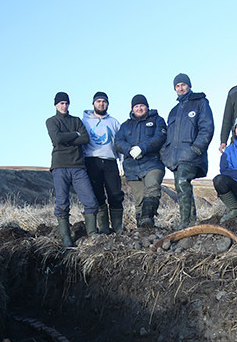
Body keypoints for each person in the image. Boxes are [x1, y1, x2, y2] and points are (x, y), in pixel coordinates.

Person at [45, 92, 99, 247]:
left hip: (78, 167)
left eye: (66, 103)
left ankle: (93, 235)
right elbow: (57, 139)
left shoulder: (76, 120)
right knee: (62, 203)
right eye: (61, 103)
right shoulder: (51, 121)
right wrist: (75, 135)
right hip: (59, 166)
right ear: (56, 105)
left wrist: (67, 137)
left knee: (90, 201)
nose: (64, 106)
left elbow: (85, 138)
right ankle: (67, 239)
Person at [161, 73, 214, 229]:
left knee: (183, 182)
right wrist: (165, 153)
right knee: (180, 186)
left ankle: (185, 223)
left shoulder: (200, 103)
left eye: (183, 85)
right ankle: (191, 221)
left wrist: (196, 148)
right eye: (177, 86)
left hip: (191, 153)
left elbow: (207, 127)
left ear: (189, 85)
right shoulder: (173, 111)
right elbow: (167, 135)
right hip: (175, 157)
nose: (181, 88)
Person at [114, 94, 167, 228]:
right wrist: (129, 149)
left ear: (147, 107)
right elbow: (118, 142)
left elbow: (160, 136)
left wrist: (142, 148)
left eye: (142, 106)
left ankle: (147, 218)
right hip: (132, 167)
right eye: (136, 106)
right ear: (132, 109)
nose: (139, 108)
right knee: (139, 199)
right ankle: (143, 231)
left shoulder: (157, 120)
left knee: (153, 187)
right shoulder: (125, 126)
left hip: (153, 163)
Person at [81, 91, 124, 233]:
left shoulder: (114, 122)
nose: (101, 104)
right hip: (92, 161)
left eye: (104, 101)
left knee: (115, 194)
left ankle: (118, 227)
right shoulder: (85, 121)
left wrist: (121, 162)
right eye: (98, 101)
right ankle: (104, 227)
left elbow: (120, 143)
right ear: (93, 103)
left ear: (107, 104)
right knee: (97, 194)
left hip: (110, 161)